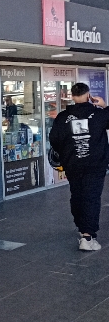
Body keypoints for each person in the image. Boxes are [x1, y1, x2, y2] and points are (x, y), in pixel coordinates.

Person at [49, 82, 109, 251]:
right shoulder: (98, 114)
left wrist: (67, 154)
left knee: (77, 195)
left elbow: (54, 139)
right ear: (88, 95)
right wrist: (104, 106)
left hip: (73, 164)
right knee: (91, 198)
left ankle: (82, 227)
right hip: (95, 165)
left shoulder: (62, 117)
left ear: (72, 96)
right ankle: (87, 237)